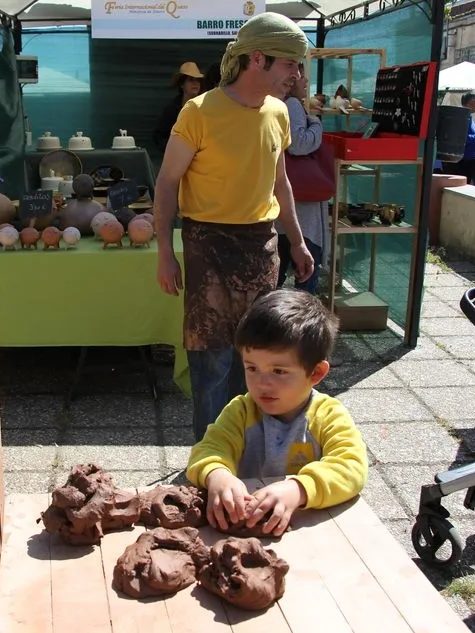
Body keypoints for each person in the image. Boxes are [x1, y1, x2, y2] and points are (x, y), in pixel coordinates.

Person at [154, 12, 314, 442]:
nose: (297, 75)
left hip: (262, 248)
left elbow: (280, 182)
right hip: (207, 246)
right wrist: (165, 253)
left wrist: (297, 242)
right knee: (212, 364)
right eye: (290, 64)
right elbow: (167, 182)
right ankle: (208, 459)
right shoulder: (199, 112)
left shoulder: (279, 113)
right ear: (257, 59)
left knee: (258, 359)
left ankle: (247, 451)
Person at [186, 289, 368, 536]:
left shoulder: (328, 415)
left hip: (310, 533)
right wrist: (217, 475)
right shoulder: (240, 411)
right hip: (244, 533)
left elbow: (351, 467)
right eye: (252, 368)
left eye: (278, 371)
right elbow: (207, 450)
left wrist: (299, 489)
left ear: (316, 373)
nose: (262, 383)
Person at [280, 64, 328, 293]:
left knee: (276, 276)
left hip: (287, 209)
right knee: (305, 280)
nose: (306, 81)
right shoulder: (292, 104)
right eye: (301, 75)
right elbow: (299, 144)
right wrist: (316, 124)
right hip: (301, 209)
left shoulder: (278, 104)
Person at [153, 62, 205, 154]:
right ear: (182, 84)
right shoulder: (172, 109)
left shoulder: (206, 107)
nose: (195, 83)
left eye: (197, 80)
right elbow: (160, 136)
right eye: (191, 80)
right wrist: (173, 151)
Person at [443, 92, 475, 183]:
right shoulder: (461, 117)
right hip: (460, 164)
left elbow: (468, 135)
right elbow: (461, 138)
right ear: (471, 102)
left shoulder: (468, 117)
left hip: (468, 163)